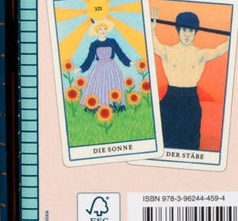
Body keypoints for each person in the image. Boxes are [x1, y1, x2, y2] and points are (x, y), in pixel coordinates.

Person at [150, 8, 229, 149]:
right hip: (170, 100)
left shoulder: (200, 54)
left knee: (190, 143)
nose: (187, 35)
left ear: (195, 32)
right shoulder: (168, 51)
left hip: (191, 101)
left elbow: (219, 51)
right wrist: (151, 28)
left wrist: (231, 39)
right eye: (184, 30)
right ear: (178, 30)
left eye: (191, 31)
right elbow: (153, 44)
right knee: (166, 141)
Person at [78, 19, 131, 111]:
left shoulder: (112, 41)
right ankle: (96, 106)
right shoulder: (94, 44)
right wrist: (80, 68)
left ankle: (114, 105)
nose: (102, 31)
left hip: (112, 68)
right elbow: (89, 59)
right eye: (100, 29)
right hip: (99, 68)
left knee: (112, 84)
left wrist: (129, 62)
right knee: (97, 85)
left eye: (104, 28)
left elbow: (120, 53)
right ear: (96, 31)